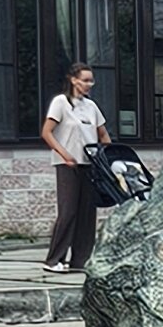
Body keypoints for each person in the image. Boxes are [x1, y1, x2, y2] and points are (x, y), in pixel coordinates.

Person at [45, 59, 106, 268]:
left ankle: (81, 259)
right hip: (67, 164)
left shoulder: (91, 106)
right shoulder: (61, 102)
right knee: (69, 210)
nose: (89, 85)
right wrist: (64, 154)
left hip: (89, 164)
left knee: (87, 213)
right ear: (73, 80)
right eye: (85, 80)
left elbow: (102, 134)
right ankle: (55, 259)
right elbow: (47, 132)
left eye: (91, 81)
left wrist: (108, 157)